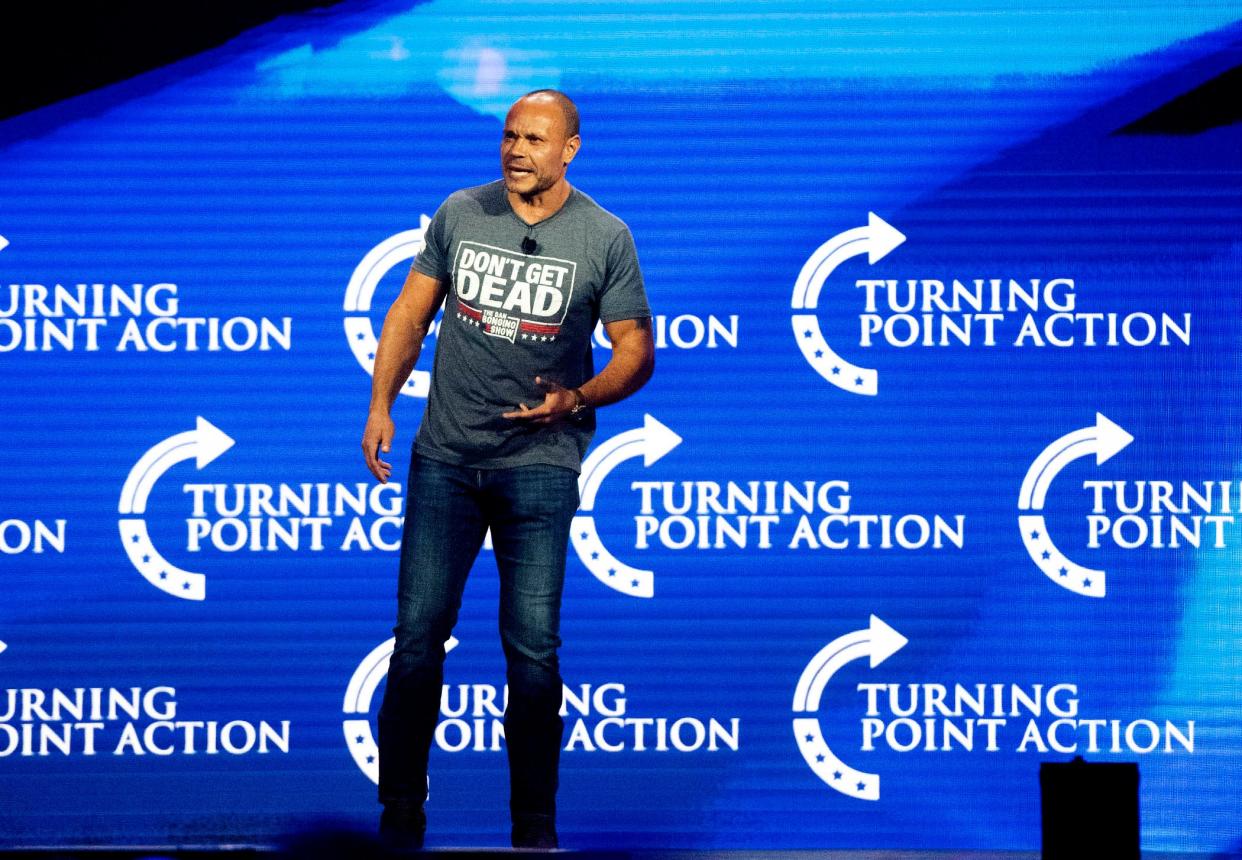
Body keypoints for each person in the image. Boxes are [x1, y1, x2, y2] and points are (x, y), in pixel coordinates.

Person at [360, 89, 655, 850]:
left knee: (532, 652)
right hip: (446, 463)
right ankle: (400, 817)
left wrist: (578, 398)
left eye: (535, 139)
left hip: (540, 469)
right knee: (417, 639)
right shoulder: (461, 213)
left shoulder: (604, 236)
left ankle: (534, 829)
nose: (517, 149)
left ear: (570, 150)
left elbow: (635, 351)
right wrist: (381, 404)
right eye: (509, 135)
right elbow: (408, 313)